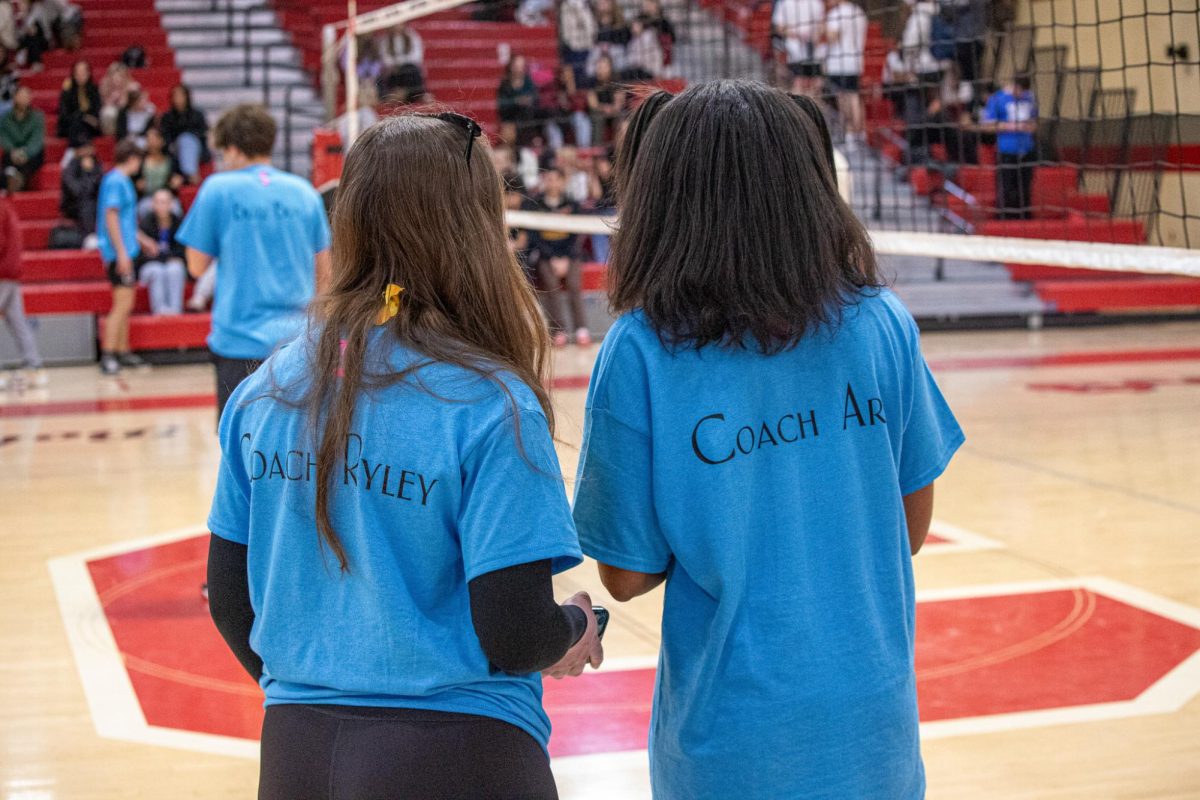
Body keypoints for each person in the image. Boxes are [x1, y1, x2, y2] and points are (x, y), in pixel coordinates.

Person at [572, 80, 963, 799]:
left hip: (730, 747)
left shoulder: (639, 351)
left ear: (662, 196)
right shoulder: (881, 323)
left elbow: (625, 576)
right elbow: (908, 527)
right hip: (874, 734)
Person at [205, 113, 604, 799]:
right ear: (475, 229)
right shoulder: (489, 403)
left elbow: (231, 606)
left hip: (294, 752)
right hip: (458, 753)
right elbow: (513, 633)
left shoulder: (262, 391)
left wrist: (318, 682)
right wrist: (574, 626)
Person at [177, 103, 332, 420]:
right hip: (300, 342)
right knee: (297, 450)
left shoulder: (218, 190)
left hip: (239, 344)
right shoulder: (305, 193)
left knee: (241, 451)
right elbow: (326, 278)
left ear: (232, 149)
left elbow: (195, 266)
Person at [96, 139, 146, 376]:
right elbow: (112, 217)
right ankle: (108, 354)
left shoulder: (118, 180)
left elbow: (125, 220)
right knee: (122, 304)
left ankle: (123, 350)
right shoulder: (117, 180)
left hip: (125, 248)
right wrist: (122, 253)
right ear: (133, 158)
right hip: (119, 251)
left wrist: (144, 241)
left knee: (127, 303)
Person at [531, 166, 590, 347]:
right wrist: (552, 258)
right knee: (551, 286)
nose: (553, 183)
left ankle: (581, 329)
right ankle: (558, 331)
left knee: (574, 284)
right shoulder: (536, 204)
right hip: (547, 256)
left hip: (569, 255)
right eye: (549, 179)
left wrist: (565, 257)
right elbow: (535, 237)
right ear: (544, 180)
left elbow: (577, 235)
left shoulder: (572, 204)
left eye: (556, 179)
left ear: (563, 181)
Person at [0, 189, 47, 389]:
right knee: (18, 321)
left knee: (18, 321)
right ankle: (34, 366)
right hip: (11, 271)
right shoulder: (6, 206)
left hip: (3, 272)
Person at [981, 75, 1038, 220]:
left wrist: (1029, 127)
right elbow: (988, 125)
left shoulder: (1029, 98)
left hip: (1026, 149)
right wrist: (1012, 126)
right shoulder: (997, 99)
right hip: (1006, 150)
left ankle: (1024, 217)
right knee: (1006, 187)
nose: (1020, 94)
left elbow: (1035, 122)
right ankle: (1004, 218)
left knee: (1024, 187)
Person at [822, 0, 867, 145]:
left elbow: (832, 37)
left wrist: (822, 27)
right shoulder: (859, 12)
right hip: (855, 61)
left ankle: (850, 132)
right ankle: (859, 132)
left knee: (844, 98)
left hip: (839, 63)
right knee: (854, 96)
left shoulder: (837, 13)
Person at [135, 188, 186, 315]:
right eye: (158, 202)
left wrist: (161, 255)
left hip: (168, 263)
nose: (162, 206)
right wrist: (165, 256)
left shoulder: (179, 223)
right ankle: (160, 310)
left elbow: (181, 252)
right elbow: (142, 256)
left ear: (172, 204)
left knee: (175, 269)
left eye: (165, 202)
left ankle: (175, 310)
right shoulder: (146, 224)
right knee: (157, 270)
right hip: (149, 266)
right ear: (153, 204)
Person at [772, 0, 824, 96]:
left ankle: (811, 109)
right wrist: (798, 35)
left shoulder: (816, 3)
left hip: (812, 49)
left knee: (816, 84)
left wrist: (814, 35)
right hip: (793, 50)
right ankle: (796, 108)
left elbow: (821, 25)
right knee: (797, 81)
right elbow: (779, 28)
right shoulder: (784, 3)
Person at [159, 84, 208, 185]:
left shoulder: (197, 115)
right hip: (174, 148)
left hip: (195, 147)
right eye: (176, 96)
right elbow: (165, 135)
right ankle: (191, 174)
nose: (178, 99)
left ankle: (189, 173)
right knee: (184, 140)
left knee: (186, 139)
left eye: (181, 95)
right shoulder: (167, 117)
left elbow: (203, 133)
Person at [0, 86, 44, 192]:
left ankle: (17, 180)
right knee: (7, 159)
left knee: (32, 159)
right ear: (15, 98)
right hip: (12, 152)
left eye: (26, 96)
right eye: (21, 96)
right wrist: (13, 151)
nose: (24, 99)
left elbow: (36, 140)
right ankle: (11, 179)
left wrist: (25, 153)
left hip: (31, 154)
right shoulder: (6, 118)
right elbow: (4, 137)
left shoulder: (37, 117)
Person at [59, 134, 103, 237]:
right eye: (84, 149)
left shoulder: (97, 165)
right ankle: (89, 236)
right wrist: (87, 173)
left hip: (94, 202)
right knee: (86, 203)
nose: (87, 152)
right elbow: (76, 191)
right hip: (73, 204)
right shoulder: (70, 167)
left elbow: (100, 186)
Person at [134, 126, 184, 211]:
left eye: (154, 138)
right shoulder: (140, 160)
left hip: (167, 196)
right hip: (148, 198)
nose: (151, 142)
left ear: (162, 140)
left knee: (176, 209)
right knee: (143, 208)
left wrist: (178, 180)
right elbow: (133, 179)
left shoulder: (171, 159)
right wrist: (137, 185)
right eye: (148, 138)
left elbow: (181, 177)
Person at [496, 54, 539, 146]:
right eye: (517, 66)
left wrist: (528, 100)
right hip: (510, 118)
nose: (519, 69)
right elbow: (502, 105)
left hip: (527, 119)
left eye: (522, 66)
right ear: (511, 67)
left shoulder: (528, 81)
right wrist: (516, 101)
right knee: (509, 133)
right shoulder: (505, 84)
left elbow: (535, 98)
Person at [545, 63, 590, 148]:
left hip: (572, 116)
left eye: (569, 75)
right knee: (551, 124)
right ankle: (557, 150)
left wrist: (571, 92)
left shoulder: (578, 85)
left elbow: (580, 107)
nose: (566, 77)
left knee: (581, 119)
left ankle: (584, 149)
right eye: (563, 74)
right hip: (558, 117)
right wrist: (559, 103)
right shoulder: (553, 86)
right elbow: (547, 105)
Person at [56, 60, 102, 144]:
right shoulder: (67, 91)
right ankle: (80, 149)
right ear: (73, 74)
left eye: (83, 73)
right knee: (77, 124)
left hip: (90, 126)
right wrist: (83, 116)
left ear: (88, 74)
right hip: (70, 125)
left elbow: (96, 111)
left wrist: (86, 118)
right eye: (78, 73)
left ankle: (75, 151)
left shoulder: (94, 90)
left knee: (83, 126)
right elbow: (64, 114)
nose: (80, 76)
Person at [587, 54, 624, 145]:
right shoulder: (592, 82)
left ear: (610, 68)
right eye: (598, 66)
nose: (600, 69)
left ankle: (618, 149)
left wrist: (611, 109)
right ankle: (597, 150)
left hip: (614, 112)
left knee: (620, 118)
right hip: (599, 112)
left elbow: (619, 104)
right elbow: (593, 104)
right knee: (597, 117)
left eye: (603, 67)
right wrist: (604, 108)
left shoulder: (617, 81)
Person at [558, 0, 596, 79]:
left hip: (587, 46)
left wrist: (581, 8)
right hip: (572, 47)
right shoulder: (565, 6)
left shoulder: (587, 4)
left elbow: (591, 29)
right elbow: (565, 32)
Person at [98, 61, 135, 135]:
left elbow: (133, 105)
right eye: (114, 76)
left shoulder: (132, 87)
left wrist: (123, 98)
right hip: (111, 113)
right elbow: (103, 105)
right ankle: (110, 135)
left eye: (120, 76)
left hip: (128, 112)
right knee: (108, 112)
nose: (116, 79)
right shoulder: (104, 86)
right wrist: (112, 99)